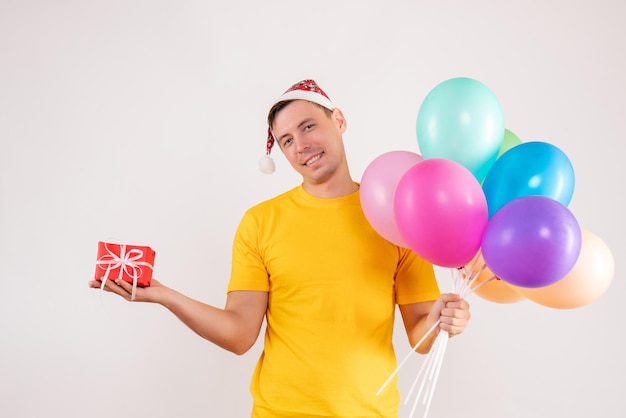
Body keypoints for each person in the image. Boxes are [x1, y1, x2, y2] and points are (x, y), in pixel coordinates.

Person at [89, 79, 471, 417]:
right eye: (287, 140)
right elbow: (240, 335)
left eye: (308, 127)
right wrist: (165, 295)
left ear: (338, 120)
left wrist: (441, 320)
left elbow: (419, 338)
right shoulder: (261, 222)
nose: (301, 145)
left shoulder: (394, 214)